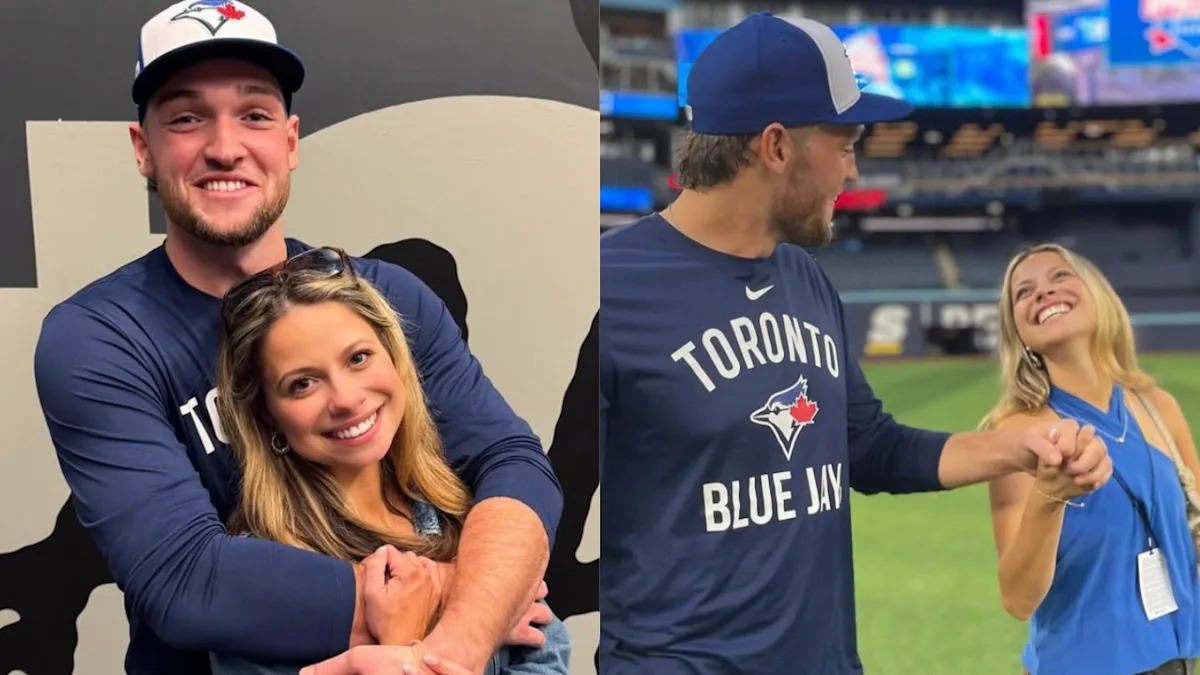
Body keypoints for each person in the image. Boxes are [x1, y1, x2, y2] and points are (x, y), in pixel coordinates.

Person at [32, 2, 561, 674]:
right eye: (187, 118)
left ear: (290, 139)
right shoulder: (102, 337)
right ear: (144, 148)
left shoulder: (387, 299)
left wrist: (454, 644)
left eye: (254, 114)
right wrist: (470, 589)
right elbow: (187, 579)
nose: (225, 147)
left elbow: (510, 459)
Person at [597, 13, 1113, 674]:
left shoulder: (806, 278)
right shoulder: (609, 288)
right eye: (843, 143)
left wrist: (1021, 445)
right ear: (777, 146)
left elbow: (870, 448)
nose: (853, 168)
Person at [205, 247, 572, 675]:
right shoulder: (258, 576)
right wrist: (403, 640)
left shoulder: (473, 518)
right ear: (268, 415)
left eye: (358, 358)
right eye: (303, 383)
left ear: (396, 357)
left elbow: (547, 657)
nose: (346, 399)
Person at [983, 243, 1200, 675]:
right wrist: (1050, 495)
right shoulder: (1015, 433)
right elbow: (1018, 598)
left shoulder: (1157, 405)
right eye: (1023, 292)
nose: (1042, 292)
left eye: (1059, 277)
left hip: (1174, 660)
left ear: (1098, 294)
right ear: (1018, 333)